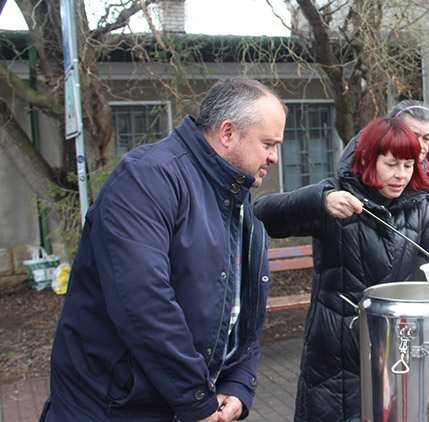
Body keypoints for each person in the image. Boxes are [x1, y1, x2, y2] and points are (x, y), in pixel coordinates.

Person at [42, 79, 286, 421]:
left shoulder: (235, 196)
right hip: (114, 409)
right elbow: (143, 302)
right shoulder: (147, 179)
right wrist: (196, 400)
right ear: (228, 132)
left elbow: (241, 307)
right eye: (268, 144)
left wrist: (238, 382)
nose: (274, 157)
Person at [254, 117, 429, 422]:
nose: (401, 175)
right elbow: (263, 213)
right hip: (336, 355)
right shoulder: (337, 196)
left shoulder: (417, 206)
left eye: (408, 165)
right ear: (366, 159)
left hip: (395, 354)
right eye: (391, 164)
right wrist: (320, 201)